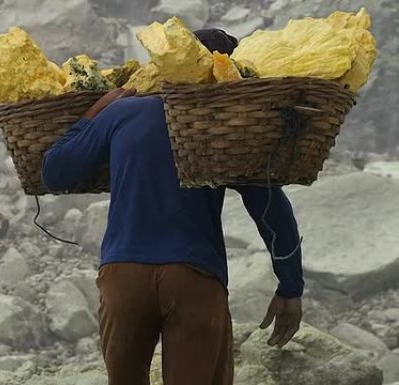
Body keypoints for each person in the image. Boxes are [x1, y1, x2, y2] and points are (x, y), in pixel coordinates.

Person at [41, 29, 304, 385]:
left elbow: (55, 172)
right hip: (194, 276)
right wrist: (291, 287)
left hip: (124, 277)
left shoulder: (123, 111)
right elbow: (271, 210)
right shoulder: (227, 128)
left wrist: (94, 112)